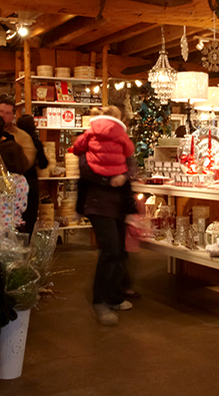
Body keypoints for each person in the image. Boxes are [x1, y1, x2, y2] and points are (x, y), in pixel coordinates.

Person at [73, 106, 137, 326]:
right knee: (110, 249)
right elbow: (86, 170)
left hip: (116, 203)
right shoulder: (108, 140)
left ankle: (113, 297)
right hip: (99, 203)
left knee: (118, 250)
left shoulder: (89, 138)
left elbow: (131, 166)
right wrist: (114, 179)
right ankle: (100, 301)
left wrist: (123, 176)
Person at [16, 114, 50, 236]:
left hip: (14, 183)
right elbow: (44, 163)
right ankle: (27, 246)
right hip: (31, 182)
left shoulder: (14, 140)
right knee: (30, 218)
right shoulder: (35, 142)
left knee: (14, 217)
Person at [0, 96, 37, 169]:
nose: (3, 115)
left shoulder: (23, 137)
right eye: (1, 111)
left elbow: (26, 162)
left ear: (13, 117)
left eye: (7, 113)